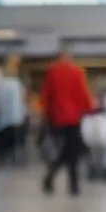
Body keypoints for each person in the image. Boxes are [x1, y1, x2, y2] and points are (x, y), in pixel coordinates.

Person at [39, 49, 95, 196]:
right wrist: (90, 110)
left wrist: (47, 115)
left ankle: (53, 177)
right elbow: (83, 93)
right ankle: (72, 184)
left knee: (68, 151)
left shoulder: (52, 72)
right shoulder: (77, 72)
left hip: (57, 118)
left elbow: (47, 95)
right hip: (74, 118)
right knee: (73, 152)